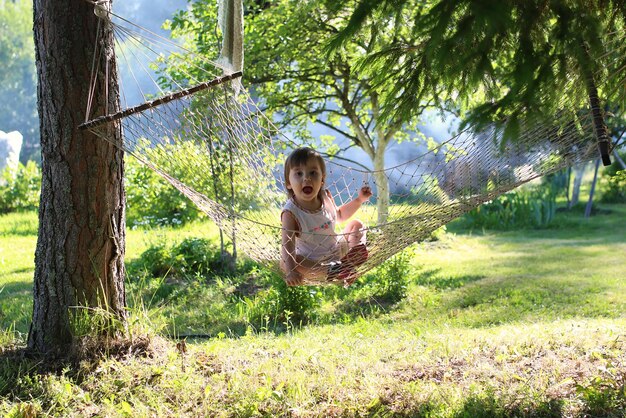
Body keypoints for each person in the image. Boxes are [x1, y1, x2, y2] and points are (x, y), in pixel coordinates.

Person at [280, 147, 372, 286]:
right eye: (299, 174)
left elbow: (339, 215)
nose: (306, 178)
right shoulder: (291, 213)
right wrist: (290, 271)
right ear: (288, 183)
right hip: (314, 262)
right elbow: (287, 246)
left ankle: (351, 259)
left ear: (322, 179)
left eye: (313, 173)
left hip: (337, 250)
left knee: (357, 224)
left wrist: (359, 200)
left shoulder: (325, 196)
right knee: (289, 262)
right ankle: (337, 270)